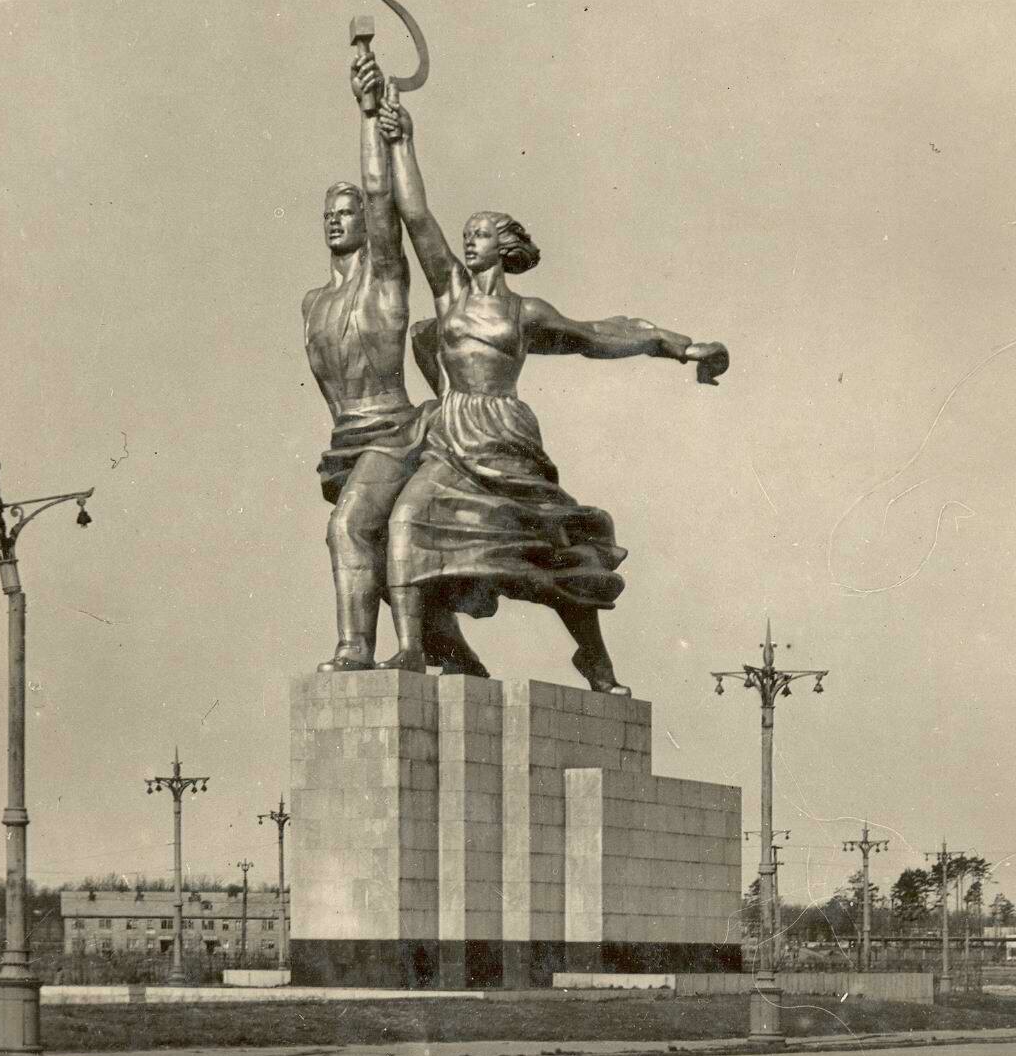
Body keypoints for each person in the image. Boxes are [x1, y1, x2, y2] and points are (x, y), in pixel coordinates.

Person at [376, 87, 726, 692]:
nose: (470, 239)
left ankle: (593, 657)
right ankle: (410, 648)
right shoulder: (450, 293)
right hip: (451, 434)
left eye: (482, 233)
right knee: (407, 519)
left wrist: (680, 345)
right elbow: (416, 217)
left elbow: (600, 334)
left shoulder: (526, 312)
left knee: (553, 544)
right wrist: (401, 139)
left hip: (505, 436)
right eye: (469, 232)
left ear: (504, 247)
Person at [300, 50, 486, 674]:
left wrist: (369, 114)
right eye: (328, 210)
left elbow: (384, 198)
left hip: (392, 432)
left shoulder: (381, 280)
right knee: (376, 565)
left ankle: (356, 647)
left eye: (345, 210)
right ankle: (456, 657)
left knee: (348, 530)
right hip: (344, 441)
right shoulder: (312, 304)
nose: (335, 217)